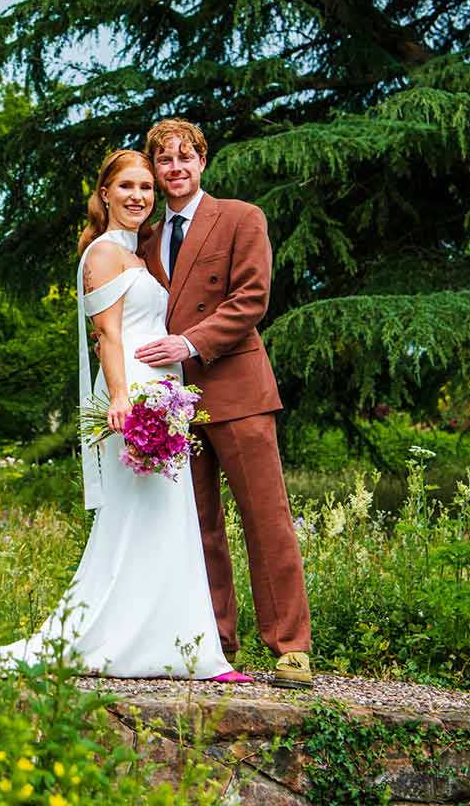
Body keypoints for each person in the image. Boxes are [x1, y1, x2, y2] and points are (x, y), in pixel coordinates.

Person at [0, 150, 249, 680]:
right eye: (127, 187)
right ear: (106, 194)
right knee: (140, 518)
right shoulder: (102, 254)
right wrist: (121, 398)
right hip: (133, 397)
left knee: (169, 519)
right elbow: (108, 336)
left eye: (146, 187)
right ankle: (136, 643)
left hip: (165, 393)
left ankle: (184, 647)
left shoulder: (138, 255)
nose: (139, 196)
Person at [132, 118, 314, 689]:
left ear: (202, 161)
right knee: (197, 525)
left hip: (237, 392)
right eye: (164, 161)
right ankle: (217, 644)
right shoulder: (145, 237)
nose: (175, 168)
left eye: (186, 157)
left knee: (266, 520)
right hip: (173, 403)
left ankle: (290, 648)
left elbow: (252, 299)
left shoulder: (240, 217)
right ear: (156, 170)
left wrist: (190, 342)